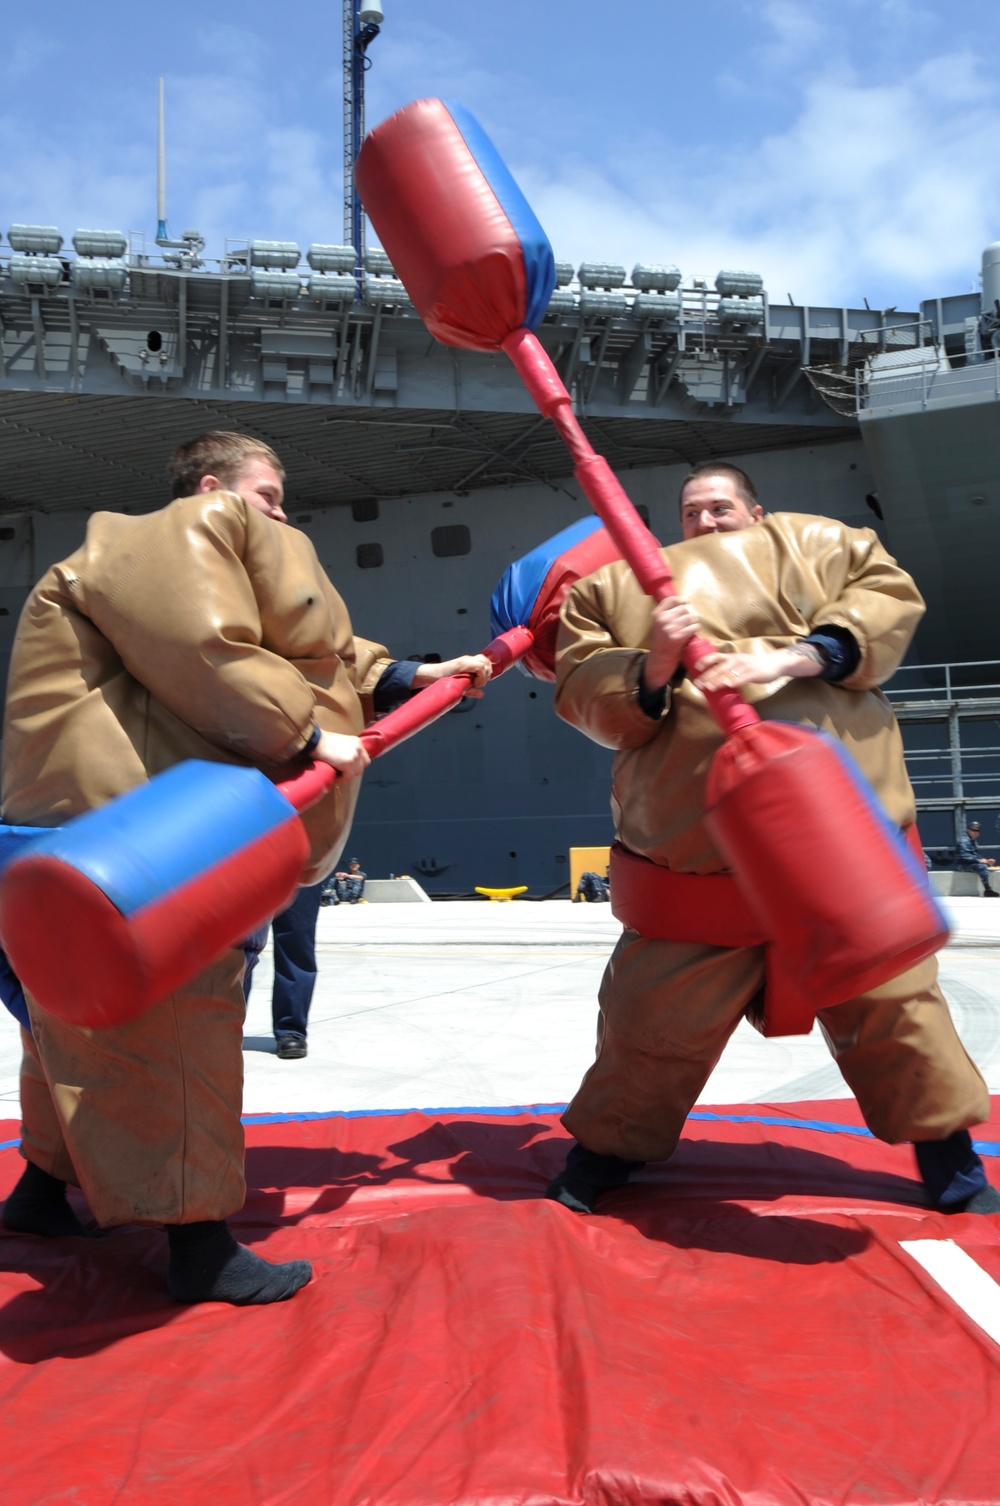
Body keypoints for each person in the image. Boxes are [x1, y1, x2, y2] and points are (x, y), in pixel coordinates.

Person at [0, 430, 492, 1303]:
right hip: (138, 847)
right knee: (176, 1039)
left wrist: (414, 673)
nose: (281, 512)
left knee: (72, 1035)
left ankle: (41, 1192)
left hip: (80, 844)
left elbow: (316, 655)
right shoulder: (169, 536)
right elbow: (204, 646)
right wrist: (301, 736)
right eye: (269, 493)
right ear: (213, 486)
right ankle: (197, 1246)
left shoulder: (171, 562)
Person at [546, 462, 1000, 1217]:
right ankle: (602, 1154)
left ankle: (949, 1161)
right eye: (691, 512)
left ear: (756, 510)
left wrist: (795, 655)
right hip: (690, 874)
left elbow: (884, 600)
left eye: (721, 506)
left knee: (899, 1013)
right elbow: (582, 692)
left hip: (842, 862)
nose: (706, 521)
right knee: (648, 1032)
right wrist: (655, 661)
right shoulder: (613, 593)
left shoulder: (827, 546)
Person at [954, 819, 999, 897]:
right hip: (962, 865)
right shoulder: (964, 841)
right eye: (973, 830)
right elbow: (964, 856)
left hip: (970, 863)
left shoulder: (972, 840)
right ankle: (987, 890)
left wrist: (986, 861)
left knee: (988, 866)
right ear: (968, 830)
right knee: (982, 867)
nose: (976, 832)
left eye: (977, 831)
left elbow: (975, 854)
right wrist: (980, 861)